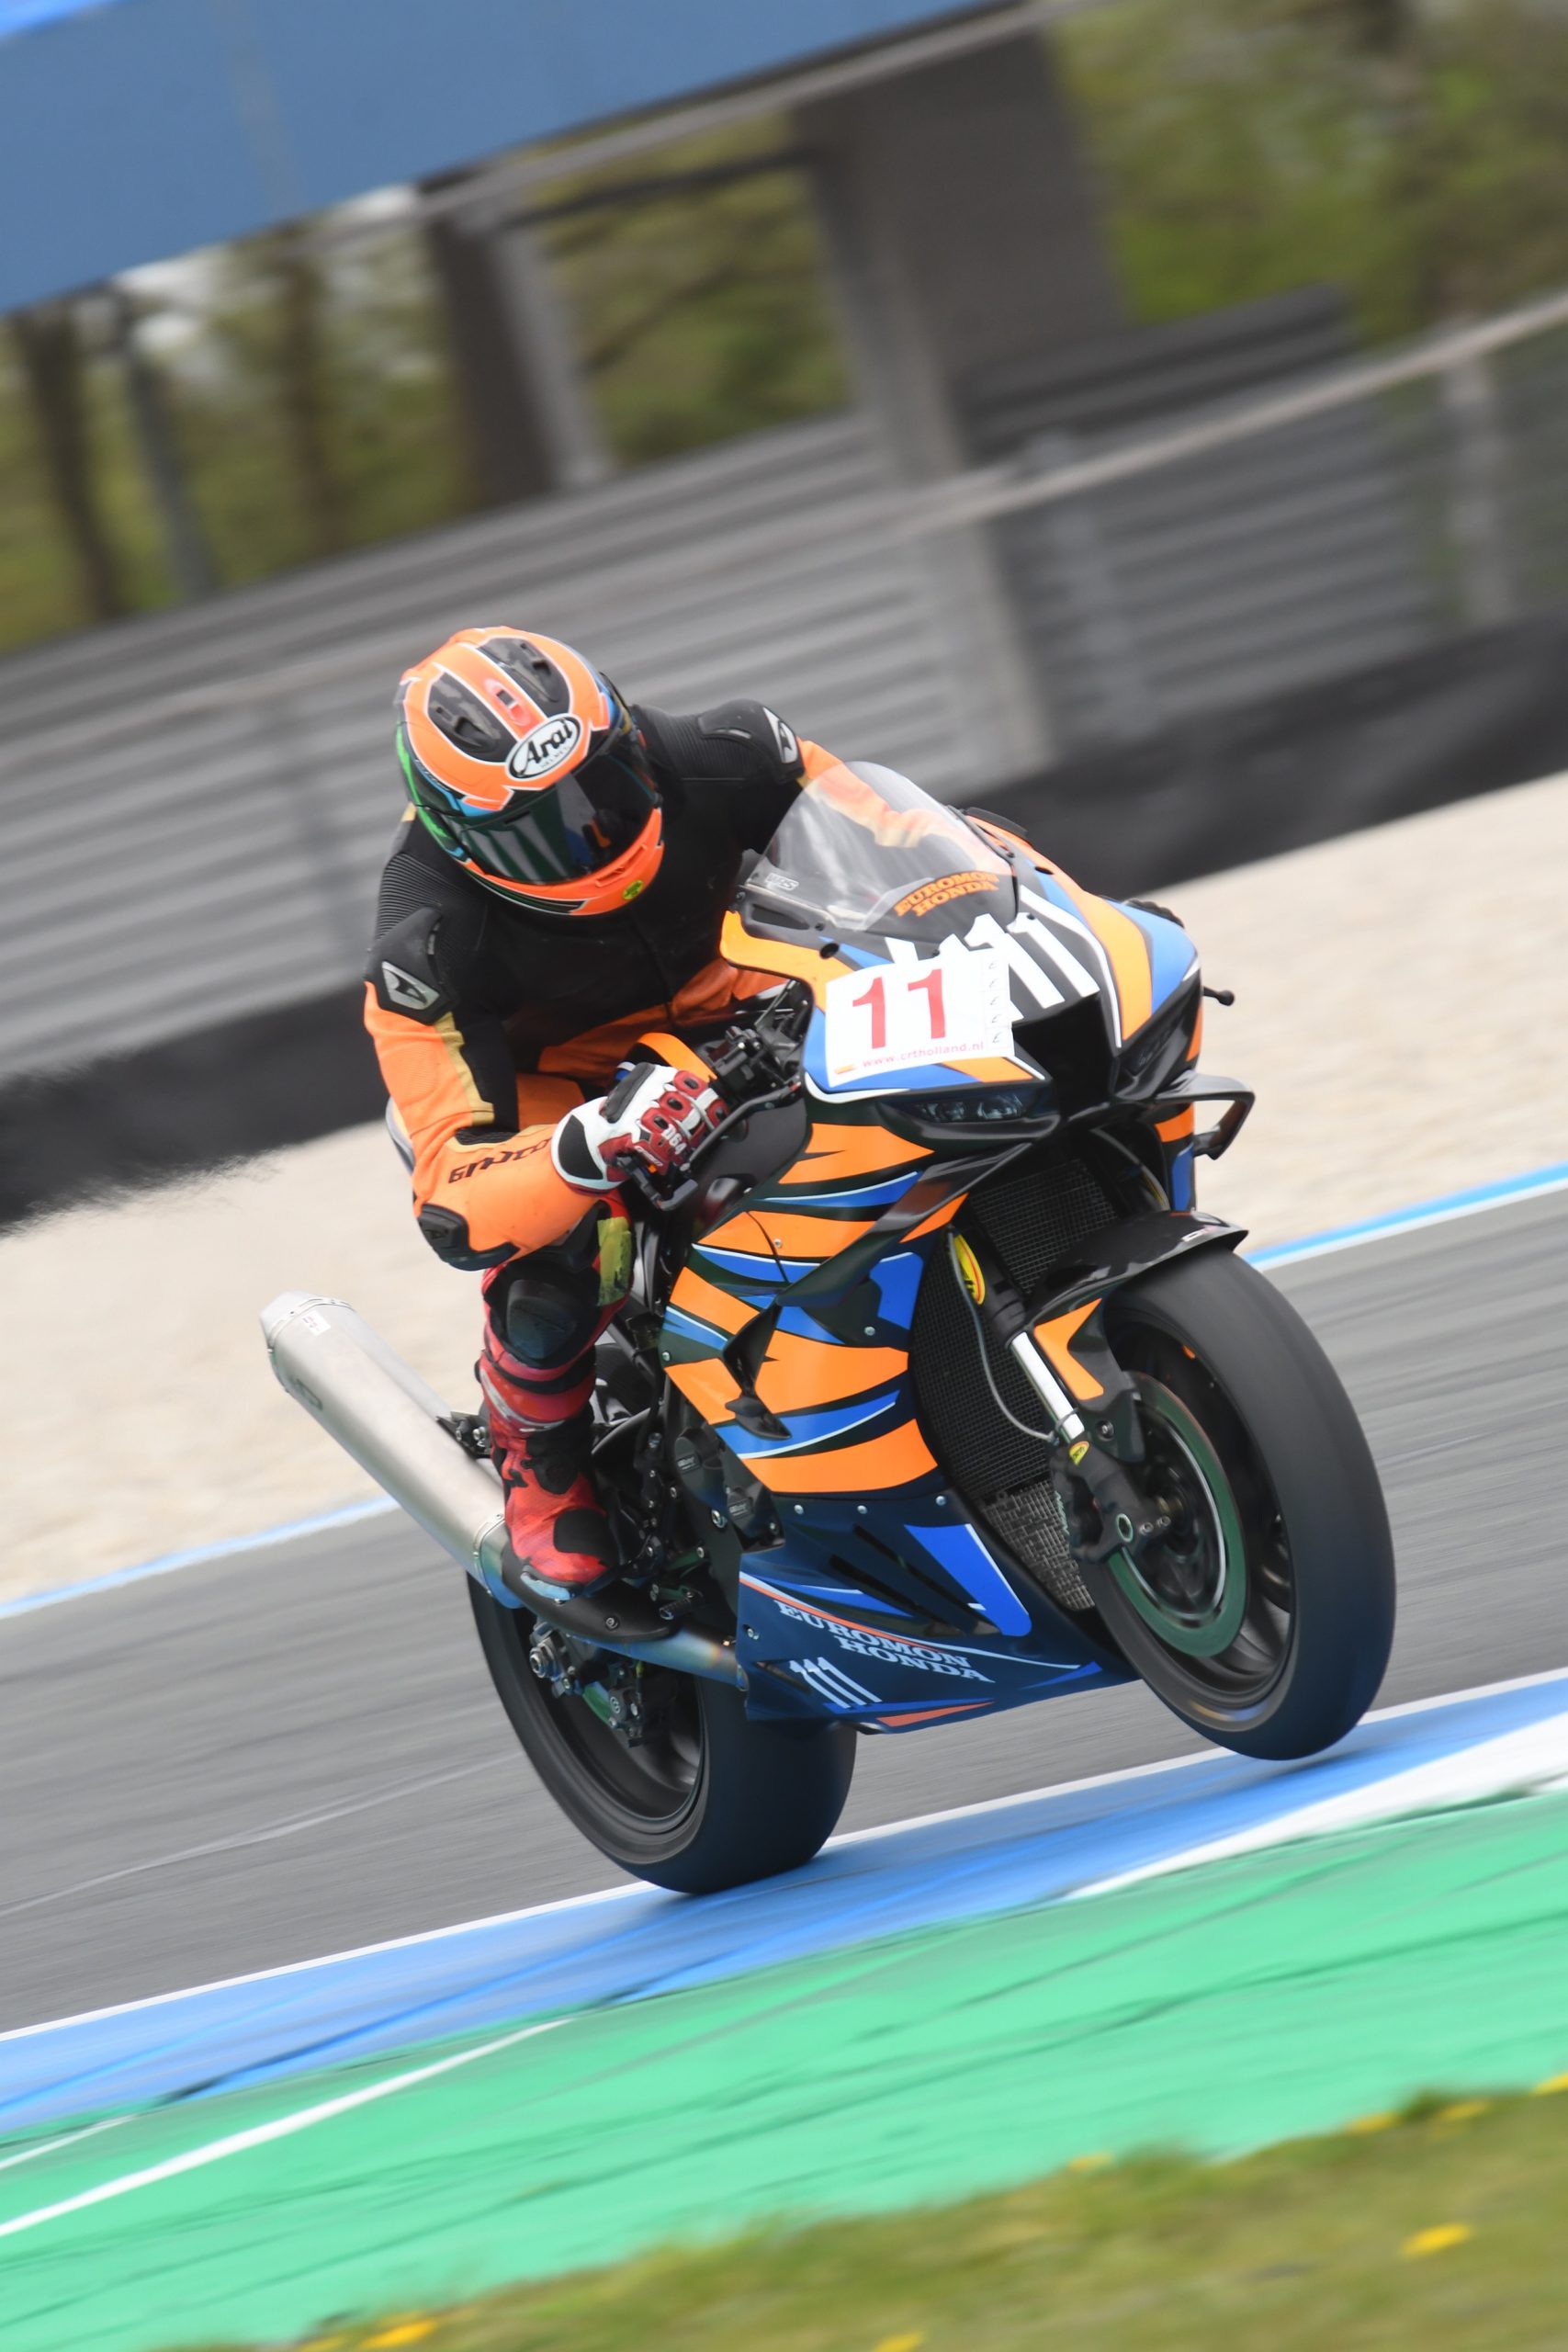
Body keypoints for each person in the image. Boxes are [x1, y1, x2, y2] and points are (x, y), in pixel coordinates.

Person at [364, 626, 823, 1604]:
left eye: (601, 788)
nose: (590, 835)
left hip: (753, 997)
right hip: (564, 1089)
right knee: (566, 1259)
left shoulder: (736, 749)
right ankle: (539, 1454)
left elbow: (908, 841)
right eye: (540, 830)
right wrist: (583, 1146)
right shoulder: (422, 942)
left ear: (627, 738)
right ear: (460, 835)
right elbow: (452, 1189)